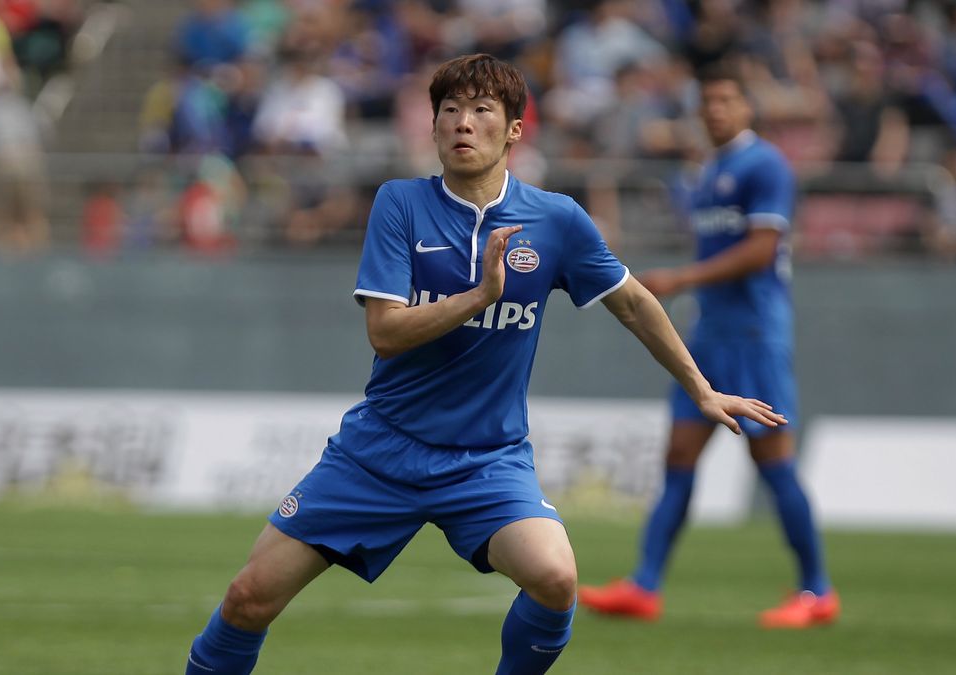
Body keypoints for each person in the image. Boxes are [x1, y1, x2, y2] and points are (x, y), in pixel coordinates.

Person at [183, 54, 786, 675]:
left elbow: (633, 303)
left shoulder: (556, 220)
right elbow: (386, 334)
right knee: (248, 598)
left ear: (515, 130)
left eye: (480, 111)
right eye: (448, 111)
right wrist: (478, 297)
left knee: (554, 578)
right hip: (379, 452)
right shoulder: (401, 204)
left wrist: (703, 389)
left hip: (486, 462)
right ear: (433, 126)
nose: (462, 124)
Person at [579, 65, 840, 629]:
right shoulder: (708, 171)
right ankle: (644, 585)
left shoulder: (764, 164)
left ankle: (817, 592)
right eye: (708, 101)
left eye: (727, 100)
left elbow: (762, 250)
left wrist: (681, 279)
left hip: (754, 335)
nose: (716, 110)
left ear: (749, 108)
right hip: (708, 338)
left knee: (772, 463)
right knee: (678, 456)